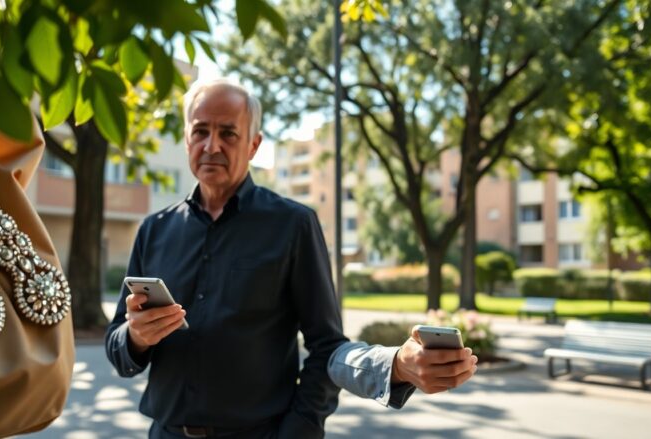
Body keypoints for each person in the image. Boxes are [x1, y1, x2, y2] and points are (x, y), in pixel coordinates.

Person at [105, 78, 477, 438]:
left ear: (253, 144)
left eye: (228, 133)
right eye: (200, 131)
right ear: (187, 138)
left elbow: (326, 347)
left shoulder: (293, 224)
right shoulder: (154, 229)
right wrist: (136, 336)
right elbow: (117, 348)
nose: (211, 145)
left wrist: (300, 430)